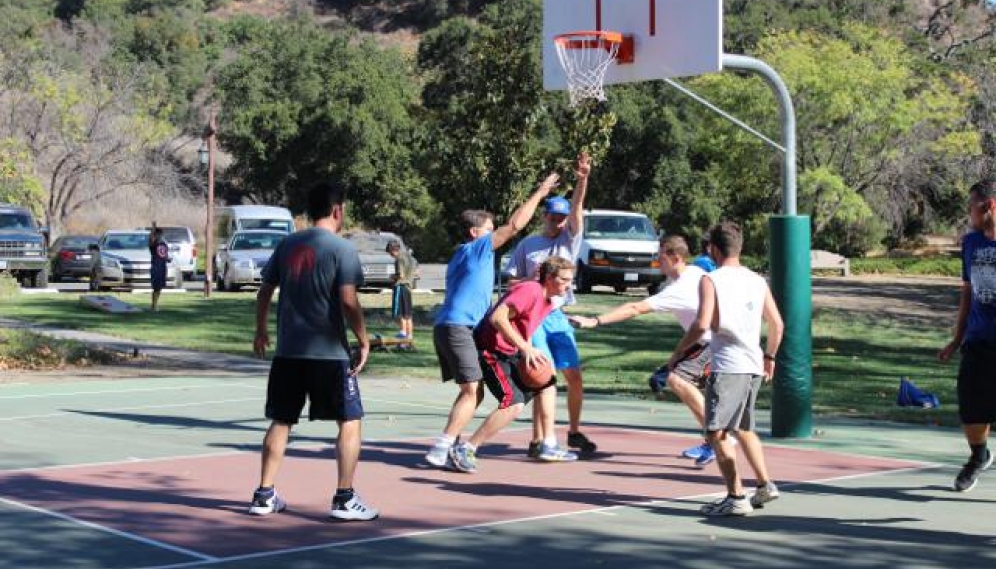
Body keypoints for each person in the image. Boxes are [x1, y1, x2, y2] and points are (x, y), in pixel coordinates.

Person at [248, 180, 378, 522]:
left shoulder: (287, 244)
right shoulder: (342, 249)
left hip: (288, 352)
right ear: (337, 210)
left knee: (282, 419)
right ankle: (345, 498)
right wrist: (362, 340)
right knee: (350, 421)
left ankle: (264, 494)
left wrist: (261, 331)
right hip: (329, 354)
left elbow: (264, 291)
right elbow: (349, 301)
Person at [424, 172, 560, 467]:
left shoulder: (463, 255)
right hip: (458, 327)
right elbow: (514, 226)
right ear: (476, 233)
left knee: (473, 390)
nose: (493, 232)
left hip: (451, 326)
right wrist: (540, 191)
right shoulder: (477, 248)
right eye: (488, 228)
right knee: (472, 391)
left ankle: (451, 443)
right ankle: (443, 447)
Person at [570, 235, 720, 467]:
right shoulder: (694, 273)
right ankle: (714, 440)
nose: (657, 262)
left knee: (677, 380)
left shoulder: (680, 287)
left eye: (660, 257)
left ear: (676, 258)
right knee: (684, 383)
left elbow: (635, 307)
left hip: (710, 342)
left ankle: (717, 441)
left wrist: (595, 321)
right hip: (705, 342)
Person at [669, 221, 784, 516]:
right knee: (743, 427)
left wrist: (679, 352)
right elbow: (777, 323)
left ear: (713, 249)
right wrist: (769, 356)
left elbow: (702, 324)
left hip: (729, 365)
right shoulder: (757, 280)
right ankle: (764, 485)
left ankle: (735, 497)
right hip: (753, 365)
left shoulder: (711, 279)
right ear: (740, 247)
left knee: (717, 433)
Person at [449, 256, 578, 473]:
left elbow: (522, 326)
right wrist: (525, 348)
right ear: (548, 278)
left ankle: (548, 444)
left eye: (570, 280)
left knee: (547, 383)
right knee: (514, 403)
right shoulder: (531, 290)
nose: (569, 285)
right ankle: (466, 448)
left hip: (510, 351)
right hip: (490, 350)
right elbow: (498, 318)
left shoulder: (548, 301)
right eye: (564, 279)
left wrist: (528, 351)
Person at [505, 152, 596, 457]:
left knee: (573, 375)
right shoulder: (528, 245)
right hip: (534, 317)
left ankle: (572, 432)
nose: (558, 222)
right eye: (554, 217)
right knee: (544, 377)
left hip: (558, 316)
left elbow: (578, 209)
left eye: (562, 217)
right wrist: (533, 284)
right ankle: (542, 440)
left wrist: (582, 179)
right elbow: (511, 282)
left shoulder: (569, 240)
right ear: (545, 216)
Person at [939, 179, 996, 492]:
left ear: (988, 206)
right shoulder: (971, 243)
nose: (968, 213)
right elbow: (968, 293)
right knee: (971, 409)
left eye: (971, 206)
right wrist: (957, 338)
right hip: (977, 341)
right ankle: (978, 456)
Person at [386, 239, 417, 346]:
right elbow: (417, 272)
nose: (391, 255)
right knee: (408, 314)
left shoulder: (399, 259)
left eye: (390, 253)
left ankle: (403, 335)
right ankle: (410, 337)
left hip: (401, 287)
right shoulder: (410, 258)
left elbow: (401, 275)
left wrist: (391, 276)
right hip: (409, 287)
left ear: (393, 250)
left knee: (402, 314)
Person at [148, 224, 169, 312]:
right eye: (158, 234)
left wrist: (167, 259)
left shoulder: (164, 243)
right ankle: (154, 305)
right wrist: (153, 228)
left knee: (160, 287)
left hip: (163, 266)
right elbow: (150, 238)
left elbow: (165, 254)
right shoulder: (153, 244)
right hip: (156, 267)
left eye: (161, 234)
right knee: (156, 287)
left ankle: (155, 305)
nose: (160, 236)